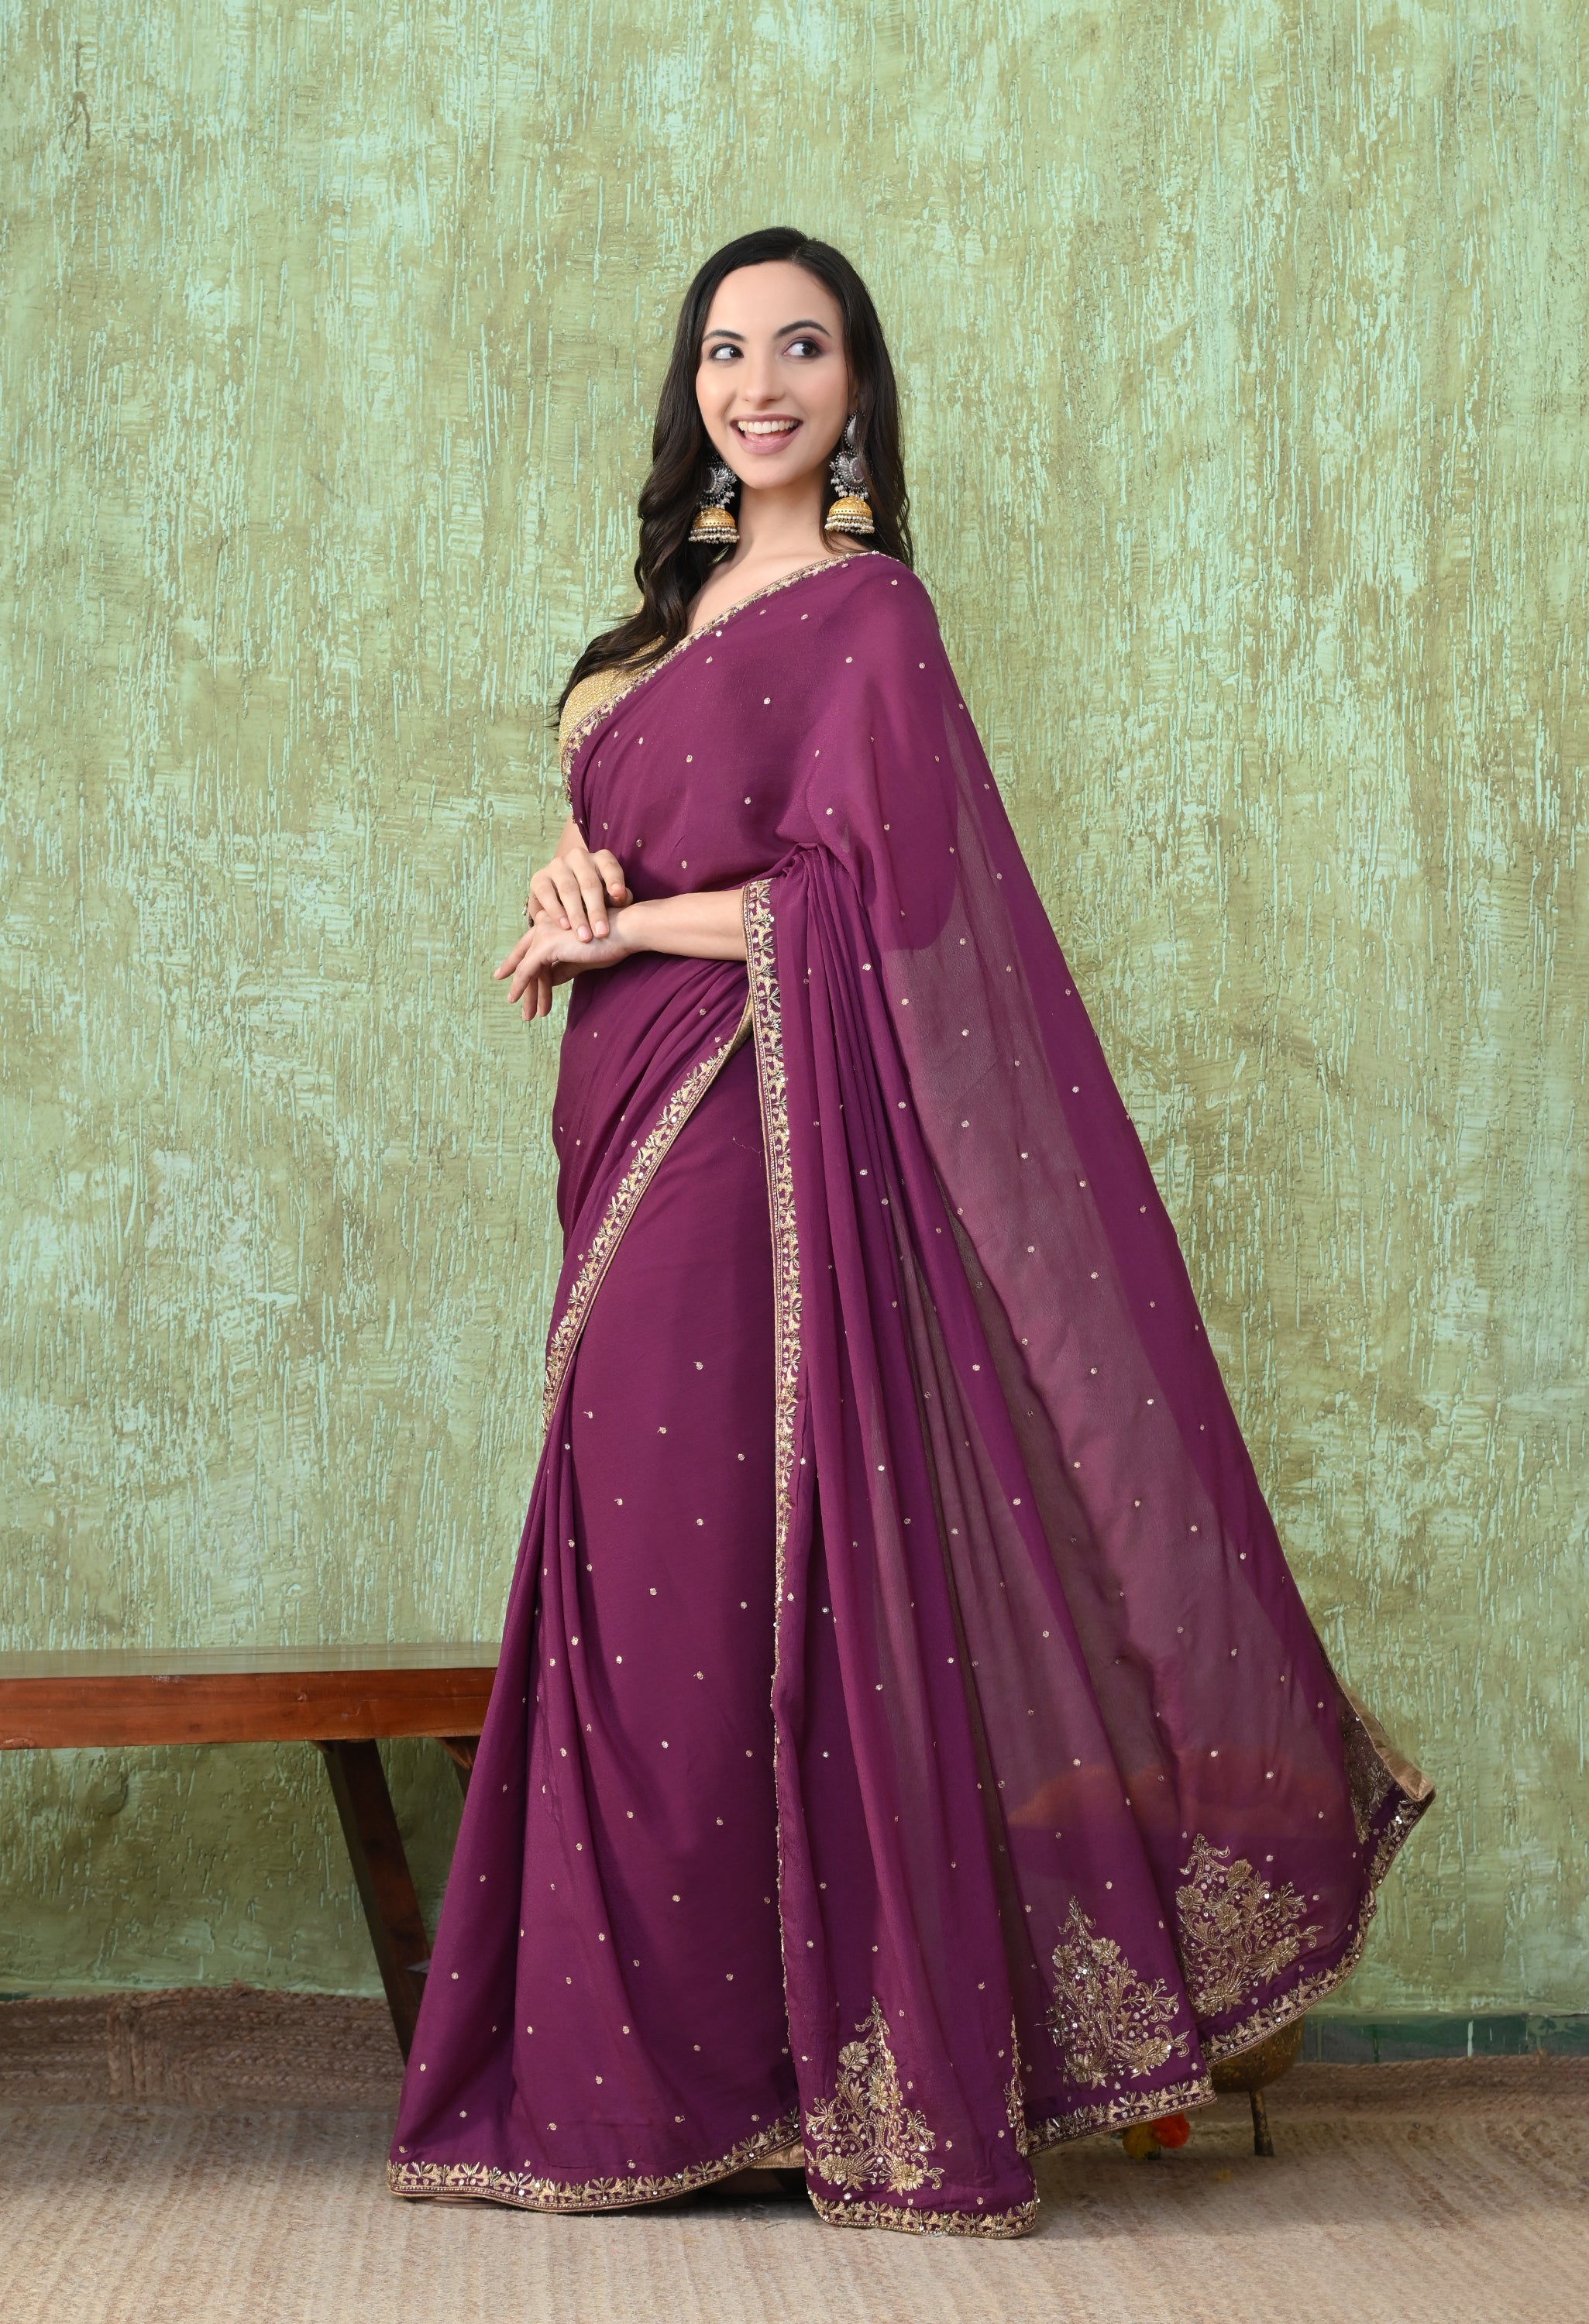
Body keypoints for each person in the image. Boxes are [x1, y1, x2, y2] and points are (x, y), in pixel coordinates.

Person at [387, 227, 1431, 2238]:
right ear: (685, 384)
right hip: (626, 1121)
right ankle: (646, 2074)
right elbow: (639, 839)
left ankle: (816, 2074)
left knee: (740, 1582)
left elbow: (888, 912)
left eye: (801, 348)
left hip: (761, 1138)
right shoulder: (651, 632)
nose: (758, 382)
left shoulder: (870, 617)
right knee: (629, 1578)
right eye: (724, 349)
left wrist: (639, 919)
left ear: (855, 388)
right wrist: (570, 876)